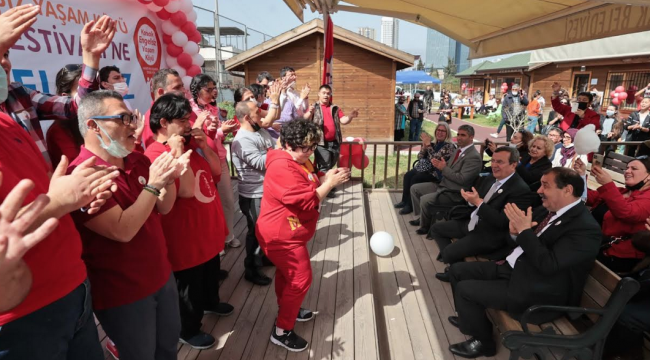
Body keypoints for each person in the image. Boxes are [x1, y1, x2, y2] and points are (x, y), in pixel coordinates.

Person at [69, 91, 189, 360]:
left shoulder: (138, 160)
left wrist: (167, 179)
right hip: (124, 294)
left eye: (132, 118)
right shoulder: (82, 174)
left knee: (168, 349)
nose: (133, 126)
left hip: (161, 277)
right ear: (93, 125)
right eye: (123, 118)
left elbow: (164, 207)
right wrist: (155, 183)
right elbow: (122, 230)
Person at [446, 168, 601, 358]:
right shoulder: (548, 209)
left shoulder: (585, 228)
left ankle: (483, 343)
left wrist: (524, 232)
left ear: (567, 190)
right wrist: (515, 233)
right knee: (456, 271)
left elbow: (548, 265)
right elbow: (524, 239)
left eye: (546, 185)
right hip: (517, 269)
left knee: (465, 290)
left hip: (540, 291)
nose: (539, 191)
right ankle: (468, 319)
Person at [145, 93, 233, 349]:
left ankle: (210, 303)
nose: (189, 124)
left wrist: (205, 145)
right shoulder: (156, 152)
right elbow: (183, 190)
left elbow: (216, 171)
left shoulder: (191, 144)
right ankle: (188, 329)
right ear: (164, 123)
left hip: (205, 231)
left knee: (209, 276)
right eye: (183, 120)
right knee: (189, 287)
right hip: (185, 238)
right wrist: (176, 151)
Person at [256, 119, 350, 352]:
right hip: (280, 236)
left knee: (287, 275)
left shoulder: (297, 159)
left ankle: (288, 308)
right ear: (288, 145)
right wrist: (330, 184)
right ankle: (282, 330)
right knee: (300, 279)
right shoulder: (282, 167)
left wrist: (326, 175)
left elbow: (310, 177)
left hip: (289, 232)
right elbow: (308, 201)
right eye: (305, 148)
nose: (310, 152)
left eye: (312, 147)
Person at [1, 10, 112, 164]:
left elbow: (77, 107)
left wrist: (90, 56)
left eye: (6, 55)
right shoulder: (59, 134)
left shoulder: (19, 93)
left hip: (47, 188)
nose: (4, 62)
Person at [430, 147, 532, 279]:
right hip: (473, 222)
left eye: (500, 162)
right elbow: (477, 199)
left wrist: (478, 202)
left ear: (513, 164)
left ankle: (455, 272)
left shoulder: (520, 190)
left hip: (490, 234)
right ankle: (456, 267)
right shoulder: (491, 178)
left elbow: (502, 222)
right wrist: (471, 200)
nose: (494, 165)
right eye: (493, 160)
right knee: (436, 229)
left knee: (448, 252)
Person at [189, 74, 248, 249]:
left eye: (215, 88)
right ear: (196, 90)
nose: (214, 92)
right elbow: (197, 138)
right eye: (209, 89)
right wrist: (221, 131)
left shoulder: (213, 108)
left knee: (228, 201)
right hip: (200, 163)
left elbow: (215, 136)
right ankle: (213, 243)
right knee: (208, 206)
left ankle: (228, 235)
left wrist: (224, 129)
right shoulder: (190, 111)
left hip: (219, 159)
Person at [574, 156, 650, 274]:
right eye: (627, 168)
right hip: (590, 244)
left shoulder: (647, 198)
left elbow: (626, 213)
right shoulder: (621, 192)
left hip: (613, 256)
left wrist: (608, 184)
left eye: (634, 168)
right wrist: (581, 175)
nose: (627, 171)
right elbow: (587, 198)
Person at [232, 100, 276, 286]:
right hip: (253, 194)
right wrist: (280, 149)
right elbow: (261, 162)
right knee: (256, 232)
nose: (263, 115)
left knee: (266, 230)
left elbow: (272, 149)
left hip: (267, 190)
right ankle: (251, 268)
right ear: (247, 118)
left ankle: (263, 258)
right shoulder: (242, 140)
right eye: (259, 113)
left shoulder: (261, 131)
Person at [408, 125, 482, 232]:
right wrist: (442, 165)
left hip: (454, 193)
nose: (459, 137)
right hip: (443, 184)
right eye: (458, 134)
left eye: (463, 135)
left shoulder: (474, 157)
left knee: (425, 199)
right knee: (415, 188)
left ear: (471, 137)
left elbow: (462, 179)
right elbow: (447, 166)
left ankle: (425, 227)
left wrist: (443, 168)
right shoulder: (459, 151)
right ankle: (423, 217)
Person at [394, 122, 456, 213]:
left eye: (443, 131)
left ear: (447, 134)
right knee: (408, 175)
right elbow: (420, 157)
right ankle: (404, 201)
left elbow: (434, 159)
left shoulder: (449, 146)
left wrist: (428, 146)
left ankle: (410, 205)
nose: (440, 132)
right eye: (438, 130)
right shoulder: (434, 144)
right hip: (426, 169)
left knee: (415, 178)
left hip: (436, 173)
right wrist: (424, 147)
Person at [308, 84, 359, 174]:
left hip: (335, 143)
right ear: (318, 94)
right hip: (321, 143)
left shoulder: (335, 108)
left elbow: (343, 120)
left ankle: (326, 183)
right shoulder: (313, 108)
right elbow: (306, 121)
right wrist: (309, 113)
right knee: (324, 166)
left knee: (331, 165)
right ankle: (326, 186)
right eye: (324, 93)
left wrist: (350, 116)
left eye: (328, 93)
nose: (326, 95)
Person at [46, 64, 84, 169]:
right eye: (83, 91)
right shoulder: (58, 132)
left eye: (92, 89)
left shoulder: (94, 121)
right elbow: (76, 168)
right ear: (65, 98)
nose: (91, 95)